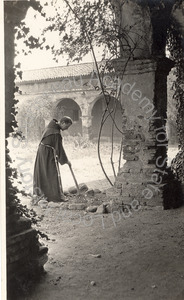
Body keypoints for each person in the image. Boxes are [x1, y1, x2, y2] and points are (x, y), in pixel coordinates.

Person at [33, 116, 73, 202]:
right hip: (47, 152)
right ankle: (54, 196)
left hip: (42, 151)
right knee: (52, 172)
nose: (66, 129)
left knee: (44, 171)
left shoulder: (51, 126)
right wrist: (66, 161)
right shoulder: (55, 133)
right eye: (67, 126)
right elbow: (59, 148)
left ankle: (43, 193)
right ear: (63, 123)